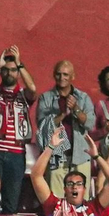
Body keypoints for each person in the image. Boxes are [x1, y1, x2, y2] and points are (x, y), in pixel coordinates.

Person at [0, 45, 37, 214]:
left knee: (11, 203)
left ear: (18, 73)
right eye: (5, 70)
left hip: (16, 154)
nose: (9, 73)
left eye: (13, 70)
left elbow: (33, 89)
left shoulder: (24, 96)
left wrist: (20, 64)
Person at [36, 60, 96, 195]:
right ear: (53, 75)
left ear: (72, 76)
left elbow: (90, 124)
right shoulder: (46, 98)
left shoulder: (83, 98)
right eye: (58, 74)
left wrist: (76, 108)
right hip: (56, 157)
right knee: (56, 202)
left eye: (65, 75)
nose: (61, 78)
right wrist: (62, 114)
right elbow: (42, 126)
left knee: (80, 202)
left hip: (80, 156)